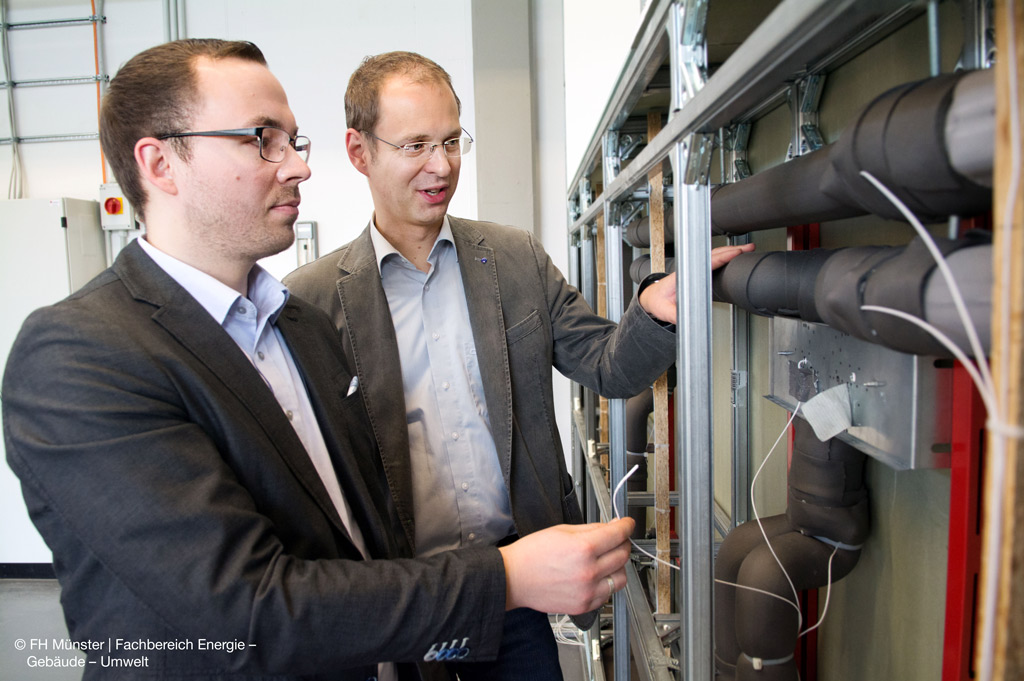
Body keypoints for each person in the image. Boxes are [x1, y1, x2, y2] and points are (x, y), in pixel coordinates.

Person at [2, 39, 637, 681]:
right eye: (261, 139)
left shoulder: (295, 326)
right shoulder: (81, 355)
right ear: (160, 163)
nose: (299, 167)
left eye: (293, 142)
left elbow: (355, 532)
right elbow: (246, 609)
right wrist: (505, 577)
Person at [283, 50, 755, 681]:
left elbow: (608, 365)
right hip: (401, 595)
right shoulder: (312, 299)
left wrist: (657, 310)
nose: (442, 165)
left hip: (516, 588)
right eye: (416, 144)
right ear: (359, 150)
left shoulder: (511, 259)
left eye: (452, 140)